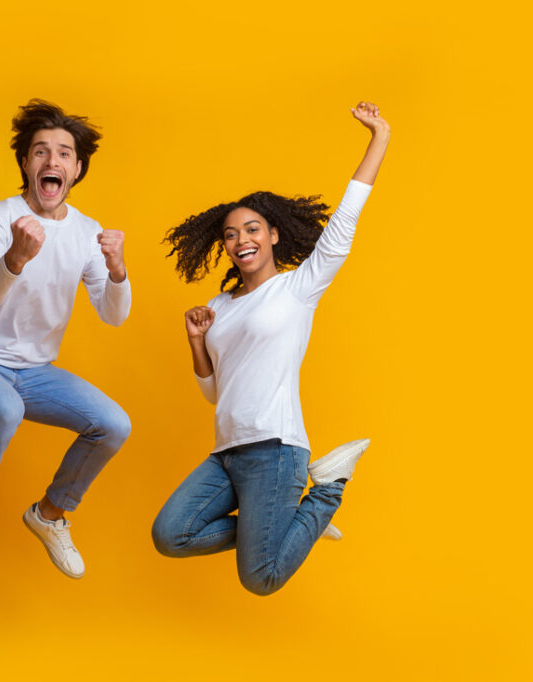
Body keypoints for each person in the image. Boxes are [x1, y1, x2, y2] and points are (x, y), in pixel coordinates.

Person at [151, 101, 389, 595]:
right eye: (231, 234)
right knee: (171, 535)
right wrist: (196, 342)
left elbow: (342, 229)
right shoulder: (220, 304)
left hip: (276, 449)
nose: (241, 240)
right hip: (226, 452)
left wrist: (378, 139)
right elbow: (214, 393)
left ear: (274, 234)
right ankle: (297, 526)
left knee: (260, 578)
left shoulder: (297, 287)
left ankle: (324, 496)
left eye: (253, 229)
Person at [0, 100, 132, 614]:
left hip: (34, 371)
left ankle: (50, 513)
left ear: (76, 169)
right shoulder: (0, 220)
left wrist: (116, 269)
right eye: (41, 151)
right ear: (26, 164)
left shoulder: (88, 231)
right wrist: (15, 258)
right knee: (4, 409)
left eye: (64, 152)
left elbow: (113, 315)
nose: (53, 160)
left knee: (112, 424)